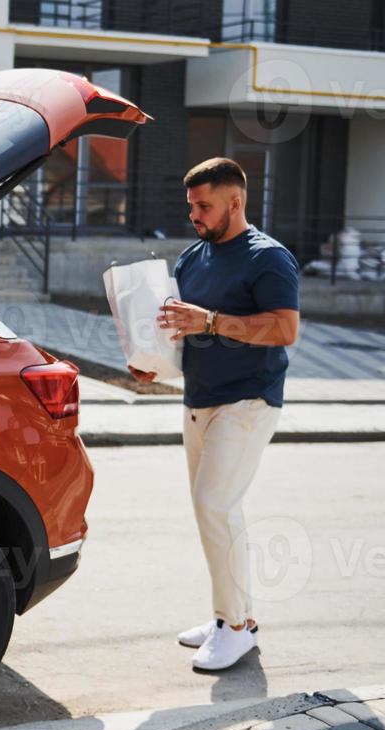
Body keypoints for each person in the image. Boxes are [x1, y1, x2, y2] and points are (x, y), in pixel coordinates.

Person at [129, 157, 300, 672]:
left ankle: (235, 627)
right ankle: (233, 615)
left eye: (204, 205)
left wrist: (213, 320)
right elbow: (183, 330)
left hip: (248, 399)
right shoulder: (191, 259)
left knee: (213, 505)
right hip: (199, 398)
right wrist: (153, 361)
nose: (195, 215)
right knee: (220, 513)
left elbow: (285, 328)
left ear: (235, 201)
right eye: (191, 206)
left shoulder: (268, 259)